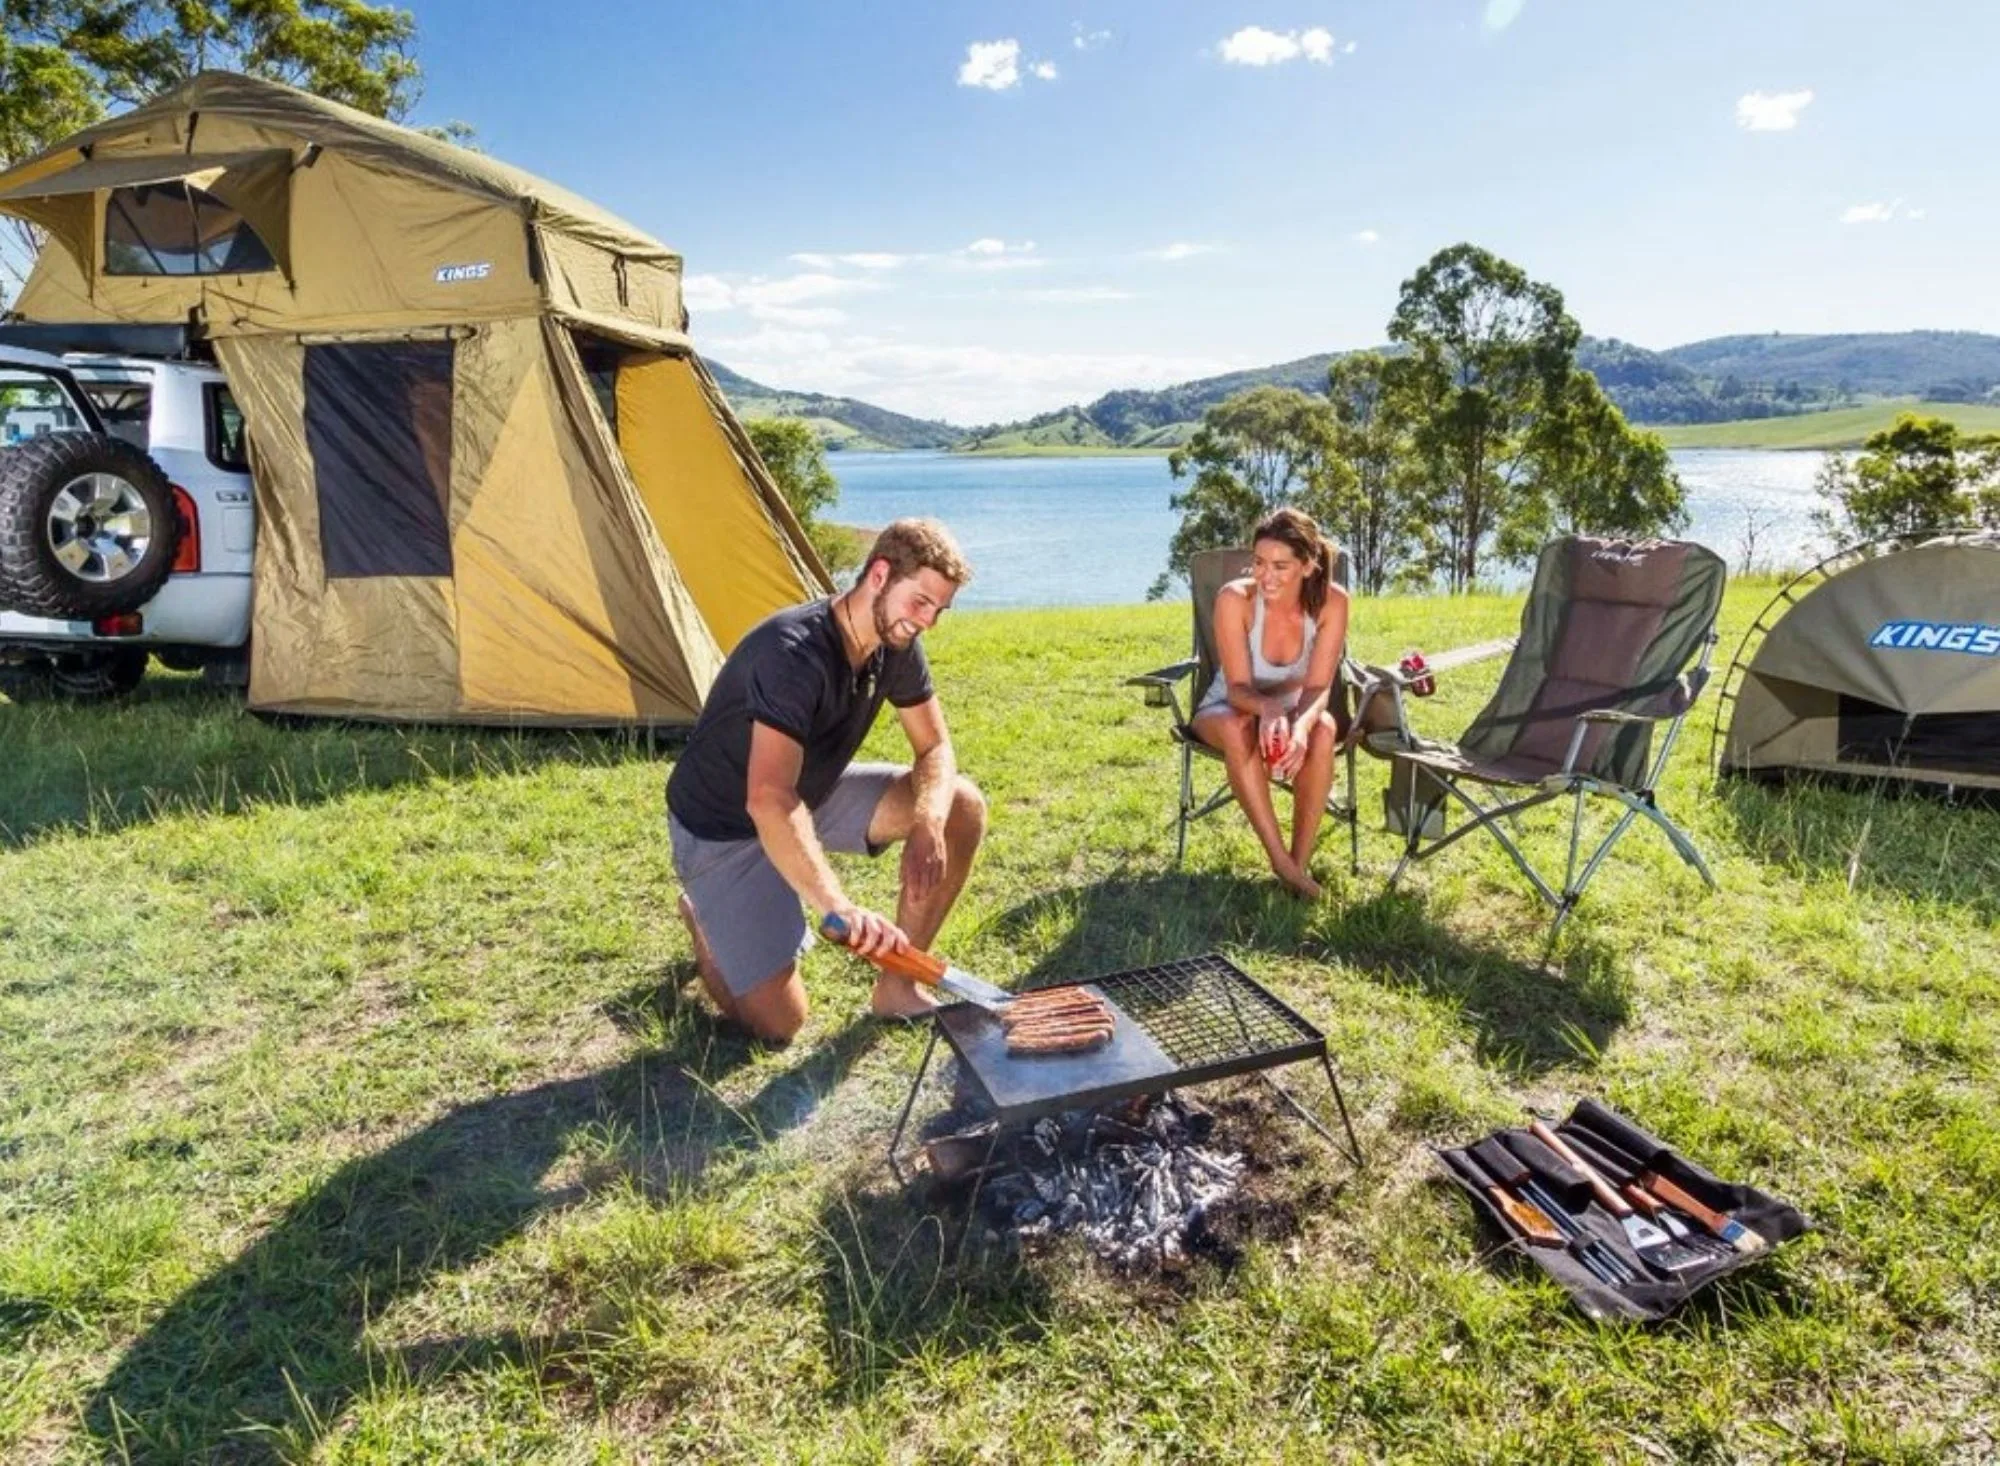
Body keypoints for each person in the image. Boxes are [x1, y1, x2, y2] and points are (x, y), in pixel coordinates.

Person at [665, 518, 986, 1044]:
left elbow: (935, 747)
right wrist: (837, 905)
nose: (927, 621)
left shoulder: (895, 641)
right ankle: (703, 919)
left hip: (808, 792)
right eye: (920, 602)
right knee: (779, 1025)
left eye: (938, 610)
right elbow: (768, 799)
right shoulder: (792, 652)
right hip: (725, 825)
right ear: (879, 575)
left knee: (960, 805)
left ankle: (897, 987)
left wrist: (929, 821)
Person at [1189, 507, 1351, 899]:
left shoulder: (1333, 603)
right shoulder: (1236, 599)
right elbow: (1238, 687)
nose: (1265, 576)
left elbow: (1318, 690)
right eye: (1259, 563)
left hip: (1296, 708)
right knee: (1236, 724)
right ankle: (1281, 864)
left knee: (1325, 728)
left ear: (1308, 566)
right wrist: (1270, 710)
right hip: (1228, 707)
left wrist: (1298, 727)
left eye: (1280, 566)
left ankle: (1299, 863)